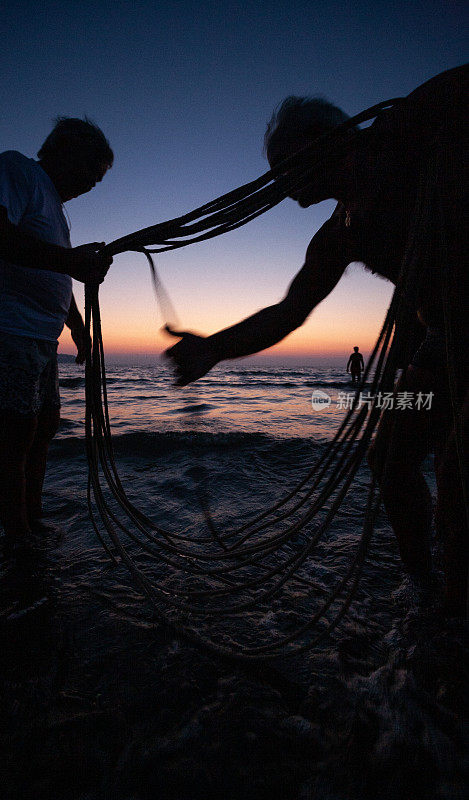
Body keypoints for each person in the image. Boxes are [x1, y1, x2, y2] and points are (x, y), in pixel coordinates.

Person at [165, 66, 468, 616]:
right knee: (391, 457)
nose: (281, 187)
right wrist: (212, 348)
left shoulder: (408, 132)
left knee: (458, 473)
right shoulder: (341, 232)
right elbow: (290, 310)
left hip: (450, 336)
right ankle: (425, 590)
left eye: (285, 170)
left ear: (321, 143)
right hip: (444, 342)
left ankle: (452, 616)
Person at [0, 117, 114, 542]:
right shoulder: (15, 169)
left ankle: (32, 520)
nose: (93, 182)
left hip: (40, 337)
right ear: (63, 149)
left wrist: (78, 330)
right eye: (91, 169)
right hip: (4, 325)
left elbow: (57, 279)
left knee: (42, 427)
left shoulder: (57, 213)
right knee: (16, 432)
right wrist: (71, 262)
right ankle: (18, 536)